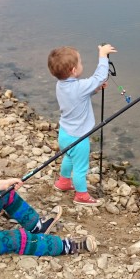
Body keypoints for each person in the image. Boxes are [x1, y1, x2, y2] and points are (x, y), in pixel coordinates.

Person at [47, 43, 117, 206]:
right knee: (80, 168)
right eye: (80, 63)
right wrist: (103, 56)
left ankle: (63, 182)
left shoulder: (61, 85)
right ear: (73, 70)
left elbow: (78, 97)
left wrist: (94, 90)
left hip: (64, 133)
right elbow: (98, 77)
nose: (82, 65)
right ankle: (81, 196)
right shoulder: (79, 87)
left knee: (69, 158)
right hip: (78, 138)